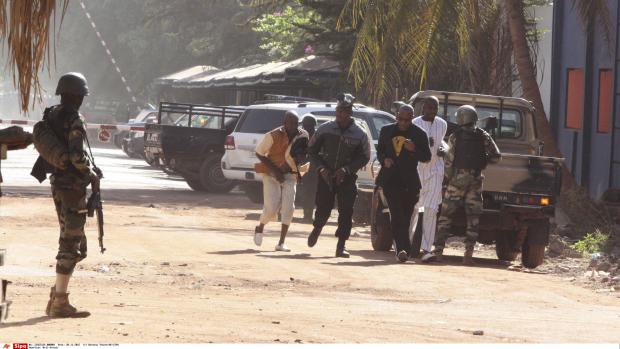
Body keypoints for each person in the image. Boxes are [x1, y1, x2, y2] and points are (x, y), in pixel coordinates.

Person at [43, 72, 100, 317]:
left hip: (57, 183)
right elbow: (77, 156)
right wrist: (91, 174)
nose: (82, 101)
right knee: (71, 243)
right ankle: (59, 303)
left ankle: (57, 294)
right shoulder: (74, 118)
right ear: (76, 95)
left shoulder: (52, 114)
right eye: (81, 96)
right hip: (72, 187)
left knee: (72, 241)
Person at [432, 105, 501, 265]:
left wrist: (448, 179)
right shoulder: (484, 135)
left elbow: (449, 160)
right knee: (473, 220)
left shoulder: (455, 136)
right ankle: (468, 256)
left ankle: (438, 252)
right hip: (476, 182)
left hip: (457, 182)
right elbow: (497, 157)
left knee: (445, 218)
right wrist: (482, 162)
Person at [306, 93, 371, 258]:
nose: (340, 114)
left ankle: (341, 245)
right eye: (338, 110)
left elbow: (365, 156)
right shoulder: (324, 129)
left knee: (346, 211)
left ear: (350, 112)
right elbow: (312, 151)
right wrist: (321, 168)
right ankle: (317, 228)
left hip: (347, 179)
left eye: (343, 111)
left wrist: (347, 169)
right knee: (323, 208)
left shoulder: (360, 134)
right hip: (326, 176)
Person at [376, 104, 431, 262]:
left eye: (407, 120)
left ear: (412, 118)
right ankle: (401, 249)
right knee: (397, 214)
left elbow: (426, 157)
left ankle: (404, 249)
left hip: (410, 182)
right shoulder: (387, 130)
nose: (403, 123)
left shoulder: (419, 134)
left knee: (406, 218)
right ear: (396, 116)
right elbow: (380, 151)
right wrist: (384, 159)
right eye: (400, 119)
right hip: (390, 180)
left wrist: (413, 149)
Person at [253, 111, 309, 252]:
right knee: (271, 208)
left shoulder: (303, 136)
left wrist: (300, 163)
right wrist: (275, 171)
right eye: (291, 123)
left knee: (289, 208)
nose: (294, 126)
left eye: (297, 123)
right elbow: (259, 152)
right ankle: (260, 227)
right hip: (271, 175)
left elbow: (304, 155)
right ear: (285, 124)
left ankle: (281, 243)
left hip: (290, 175)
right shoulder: (273, 135)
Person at [409, 96, 448, 262]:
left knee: (431, 209)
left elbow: (443, 143)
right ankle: (407, 245)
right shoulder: (415, 123)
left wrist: (444, 148)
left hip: (435, 170)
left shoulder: (442, 124)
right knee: (414, 208)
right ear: (423, 108)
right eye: (429, 107)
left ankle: (426, 249)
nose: (432, 111)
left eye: (435, 108)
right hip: (417, 169)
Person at [300, 114, 318, 222]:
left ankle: (308, 214)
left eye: (308, 126)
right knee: (307, 190)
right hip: (305, 166)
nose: (307, 127)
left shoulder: (316, 136)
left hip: (311, 166)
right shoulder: (302, 135)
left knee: (309, 191)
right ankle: (307, 214)